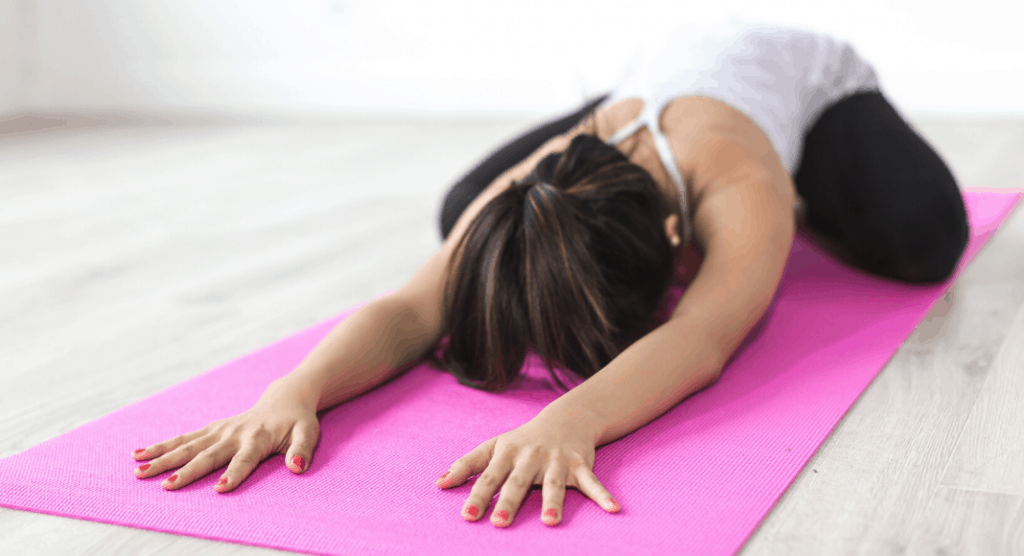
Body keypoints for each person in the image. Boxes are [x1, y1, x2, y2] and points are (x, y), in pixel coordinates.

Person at [128, 24, 969, 528]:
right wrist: (293, 392)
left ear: (682, 245)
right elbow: (410, 309)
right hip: (645, 92)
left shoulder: (741, 187)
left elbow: (703, 337)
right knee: (469, 213)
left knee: (927, 242)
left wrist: (572, 421)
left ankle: (817, 194)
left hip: (806, 86)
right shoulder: (538, 180)